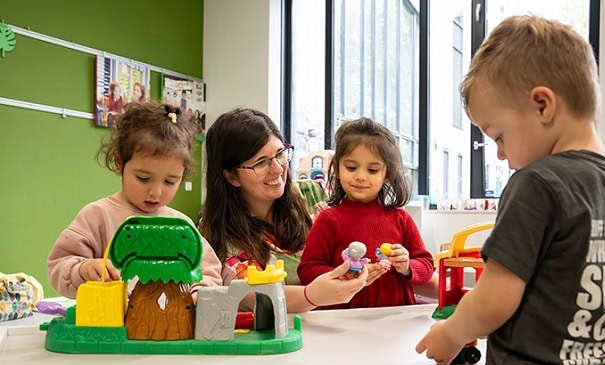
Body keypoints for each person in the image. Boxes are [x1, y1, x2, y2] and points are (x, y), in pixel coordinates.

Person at [416, 15, 605, 365]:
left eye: (499, 136)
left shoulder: (537, 182)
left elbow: (494, 299)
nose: (501, 155)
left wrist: (451, 334)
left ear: (543, 105)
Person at [48, 101, 223, 299]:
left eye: (170, 181)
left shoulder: (182, 225)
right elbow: (59, 265)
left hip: (170, 327)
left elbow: (209, 270)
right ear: (119, 163)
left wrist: (200, 291)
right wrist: (83, 269)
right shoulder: (97, 215)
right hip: (109, 325)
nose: (156, 192)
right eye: (143, 178)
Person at [199, 107, 367, 313]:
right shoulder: (219, 236)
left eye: (280, 154)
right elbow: (254, 296)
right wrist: (313, 295)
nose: (278, 168)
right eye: (261, 163)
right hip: (285, 338)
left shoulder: (315, 195)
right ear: (231, 176)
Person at [297, 117, 435, 308]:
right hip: (343, 317)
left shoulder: (400, 218)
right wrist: (345, 274)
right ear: (337, 168)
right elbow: (307, 270)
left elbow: (426, 265)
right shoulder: (329, 219)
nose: (360, 177)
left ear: (386, 174)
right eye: (351, 167)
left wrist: (406, 266)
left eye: (372, 170)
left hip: (395, 316)